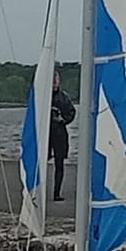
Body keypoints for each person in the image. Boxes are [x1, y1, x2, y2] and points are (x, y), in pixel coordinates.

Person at [47, 71, 76, 202]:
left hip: (59, 133)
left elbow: (71, 112)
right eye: (52, 80)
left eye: (56, 80)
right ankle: (34, 190)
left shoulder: (63, 97)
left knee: (60, 163)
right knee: (39, 161)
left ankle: (56, 192)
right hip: (45, 133)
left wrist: (62, 120)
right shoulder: (43, 95)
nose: (54, 82)